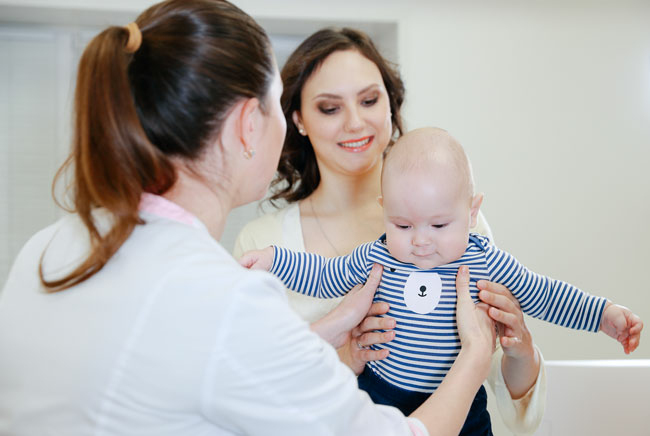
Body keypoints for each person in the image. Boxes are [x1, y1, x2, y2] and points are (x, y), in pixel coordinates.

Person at [0, 1, 502, 435]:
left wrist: (331, 327)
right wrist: (475, 354)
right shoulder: (226, 299)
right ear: (247, 124)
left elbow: (202, 362)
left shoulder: (47, 248)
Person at [233, 28, 544, 435]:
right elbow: (255, 398)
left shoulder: (457, 225)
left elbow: (505, 392)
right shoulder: (262, 245)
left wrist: (520, 347)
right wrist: (346, 355)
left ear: (391, 105)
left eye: (369, 100)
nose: (356, 122)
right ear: (299, 120)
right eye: (329, 108)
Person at [240, 126, 644, 426]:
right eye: (402, 224)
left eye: (438, 226)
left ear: (471, 212)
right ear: (385, 211)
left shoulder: (483, 260)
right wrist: (274, 259)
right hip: (381, 393)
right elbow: (324, 275)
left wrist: (603, 314)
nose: (420, 241)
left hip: (460, 399)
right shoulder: (377, 256)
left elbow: (544, 293)